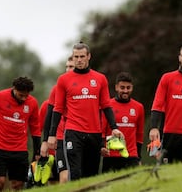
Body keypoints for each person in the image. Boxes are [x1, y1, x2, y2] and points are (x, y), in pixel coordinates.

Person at [47, 42, 124, 181]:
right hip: (73, 132)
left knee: (91, 175)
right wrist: (51, 135)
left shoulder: (100, 79)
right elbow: (57, 109)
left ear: (89, 56)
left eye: (82, 56)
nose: (79, 60)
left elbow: (106, 105)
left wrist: (114, 128)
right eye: (76, 56)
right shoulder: (63, 80)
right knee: (75, 174)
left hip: (94, 132)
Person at [0, 76, 41, 191]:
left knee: (17, 185)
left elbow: (35, 128)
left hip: (20, 150)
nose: (23, 98)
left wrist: (37, 150)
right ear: (14, 89)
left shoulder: (32, 103)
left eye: (26, 96)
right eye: (20, 95)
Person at [149, 44, 182, 163]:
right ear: (179, 58)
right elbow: (157, 104)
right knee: (169, 172)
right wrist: (154, 128)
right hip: (170, 134)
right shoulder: (167, 78)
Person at [101, 72, 144, 172]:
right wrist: (102, 147)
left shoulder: (138, 107)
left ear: (132, 88)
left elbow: (139, 135)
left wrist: (139, 157)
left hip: (131, 155)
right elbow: (102, 130)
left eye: (128, 88)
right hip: (111, 155)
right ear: (116, 87)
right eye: (122, 87)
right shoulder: (108, 106)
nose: (125, 91)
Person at [40, 56, 75, 184]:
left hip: (81, 136)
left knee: (80, 176)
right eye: (66, 66)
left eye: (71, 67)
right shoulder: (57, 88)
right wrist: (45, 141)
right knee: (64, 178)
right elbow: (49, 115)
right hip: (61, 138)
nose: (67, 69)